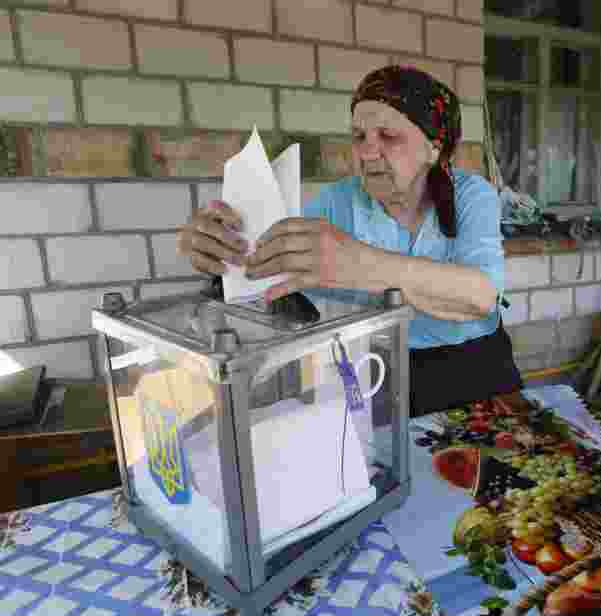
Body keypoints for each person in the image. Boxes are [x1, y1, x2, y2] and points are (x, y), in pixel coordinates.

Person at [177, 65, 522, 417]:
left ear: (434, 148)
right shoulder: (338, 203)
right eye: (359, 136)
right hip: (381, 372)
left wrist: (361, 263)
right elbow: (265, 269)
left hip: (479, 368)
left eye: (388, 136)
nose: (368, 152)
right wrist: (219, 252)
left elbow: (481, 295)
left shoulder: (471, 194)